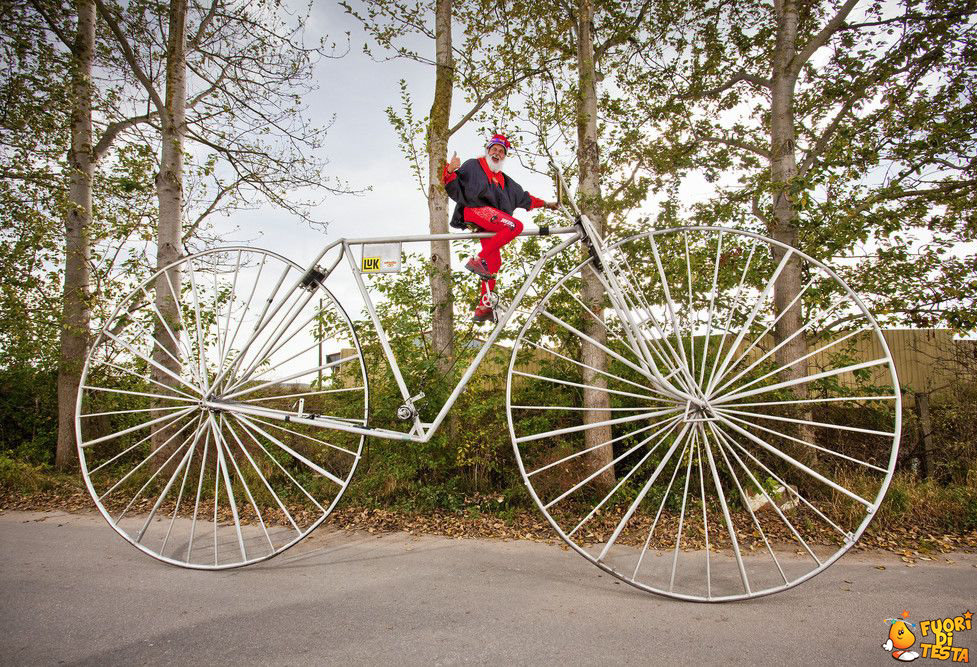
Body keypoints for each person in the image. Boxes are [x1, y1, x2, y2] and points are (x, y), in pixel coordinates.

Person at [442, 134, 559, 323]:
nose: (497, 153)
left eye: (501, 151)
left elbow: (525, 198)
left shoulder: (505, 181)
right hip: (475, 211)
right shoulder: (473, 165)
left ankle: (483, 306)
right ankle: (477, 259)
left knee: (494, 262)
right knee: (515, 225)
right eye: (494, 149)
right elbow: (451, 182)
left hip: (491, 220)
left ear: (504, 156)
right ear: (488, 150)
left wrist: (547, 204)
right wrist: (450, 169)